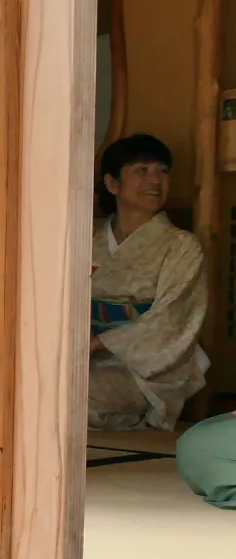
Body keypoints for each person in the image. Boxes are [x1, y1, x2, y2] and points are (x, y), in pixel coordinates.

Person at [89, 134, 207, 431]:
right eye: (142, 170)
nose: (155, 179)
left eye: (163, 171)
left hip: (143, 371)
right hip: (79, 355)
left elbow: (171, 320)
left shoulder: (182, 246)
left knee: (71, 394)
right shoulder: (84, 238)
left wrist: (95, 344)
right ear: (112, 183)